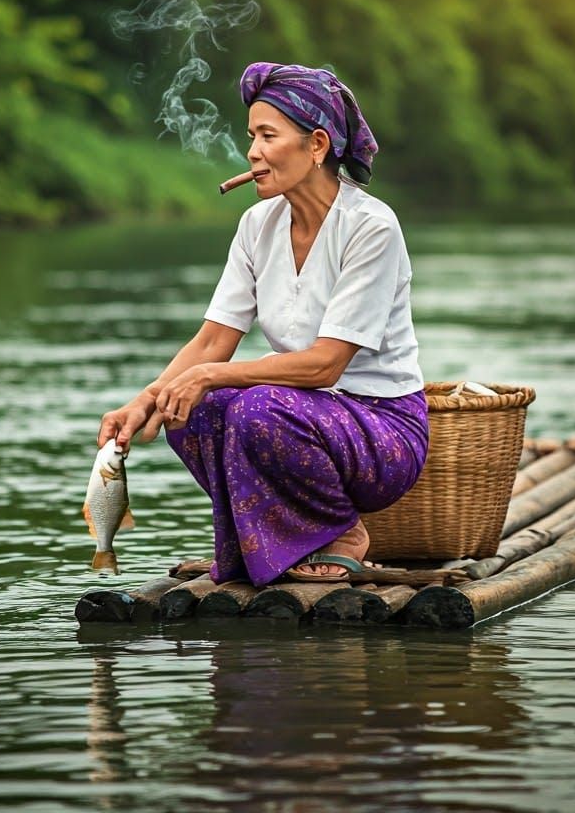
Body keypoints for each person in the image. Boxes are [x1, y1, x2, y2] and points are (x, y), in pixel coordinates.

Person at [98, 62, 428, 586]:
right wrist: (147, 399)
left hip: (381, 430)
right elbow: (213, 340)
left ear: (316, 145)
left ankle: (342, 532)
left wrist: (208, 376)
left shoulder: (371, 227)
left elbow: (325, 366)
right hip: (298, 412)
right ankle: (261, 544)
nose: (252, 151)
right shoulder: (257, 223)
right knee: (188, 407)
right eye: (251, 135)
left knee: (253, 406)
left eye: (267, 136)